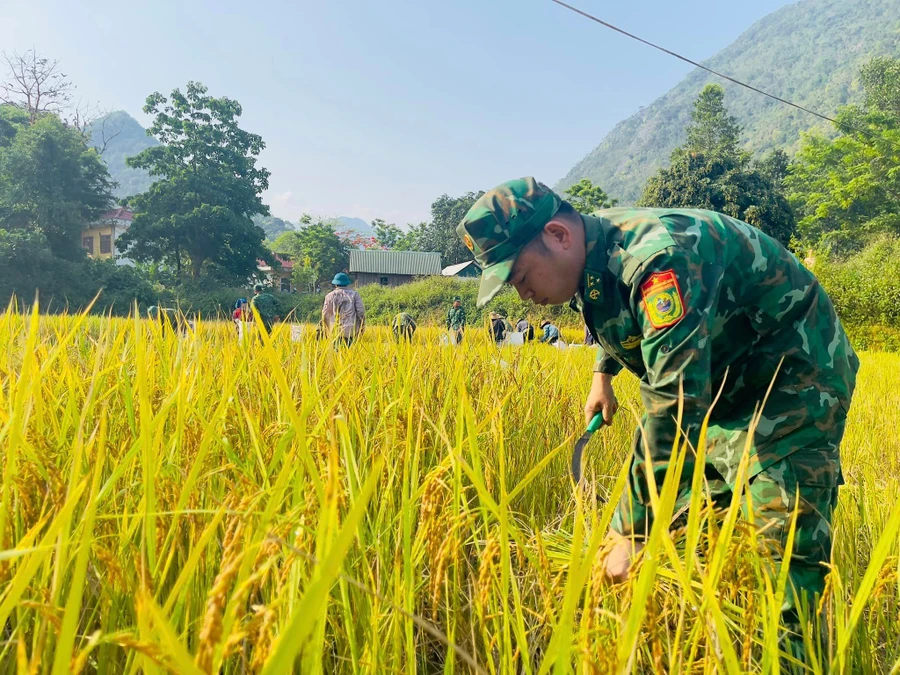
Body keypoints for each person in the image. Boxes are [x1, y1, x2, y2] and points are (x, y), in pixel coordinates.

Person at [455, 177, 858, 638]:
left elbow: (676, 400)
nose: (522, 295)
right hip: (724, 380)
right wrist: (602, 374)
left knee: (779, 561)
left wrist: (631, 529)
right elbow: (622, 313)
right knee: (700, 535)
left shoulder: (658, 259)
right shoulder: (593, 251)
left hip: (794, 375)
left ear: (558, 236)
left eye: (520, 277)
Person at [322, 272, 365, 347]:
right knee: (350, 354)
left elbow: (325, 314)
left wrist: (327, 329)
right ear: (347, 283)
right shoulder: (354, 295)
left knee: (336, 354)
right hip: (351, 330)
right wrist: (361, 326)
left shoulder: (329, 296)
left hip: (335, 330)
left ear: (335, 284)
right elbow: (360, 312)